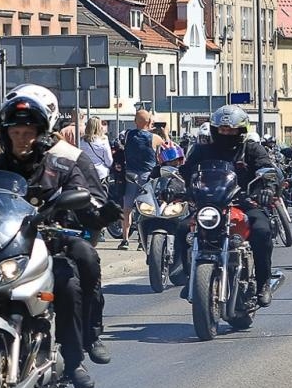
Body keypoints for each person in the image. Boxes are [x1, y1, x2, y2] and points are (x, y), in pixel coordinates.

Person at [0, 84, 107, 388]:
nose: (22, 139)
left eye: (28, 132)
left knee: (72, 276)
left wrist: (82, 208)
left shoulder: (61, 163)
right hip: (4, 244)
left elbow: (91, 197)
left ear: (41, 131)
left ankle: (77, 352)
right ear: (5, 133)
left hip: (51, 240)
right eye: (15, 133)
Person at [174, 105, 279, 306]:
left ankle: (263, 282)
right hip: (211, 205)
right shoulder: (203, 150)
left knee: (262, 230)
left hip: (246, 202)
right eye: (222, 130)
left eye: (231, 130)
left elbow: (267, 168)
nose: (226, 134)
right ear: (215, 130)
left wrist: (267, 188)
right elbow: (185, 172)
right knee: (182, 229)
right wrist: (174, 186)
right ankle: (191, 276)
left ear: (241, 131)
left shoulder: (251, 149)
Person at [116, 107, 164, 248]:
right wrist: (164, 133)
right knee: (146, 208)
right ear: (150, 121)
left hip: (130, 175)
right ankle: (141, 240)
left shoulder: (128, 135)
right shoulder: (155, 138)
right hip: (147, 177)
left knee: (127, 209)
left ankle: (125, 239)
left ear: (135, 121)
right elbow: (168, 148)